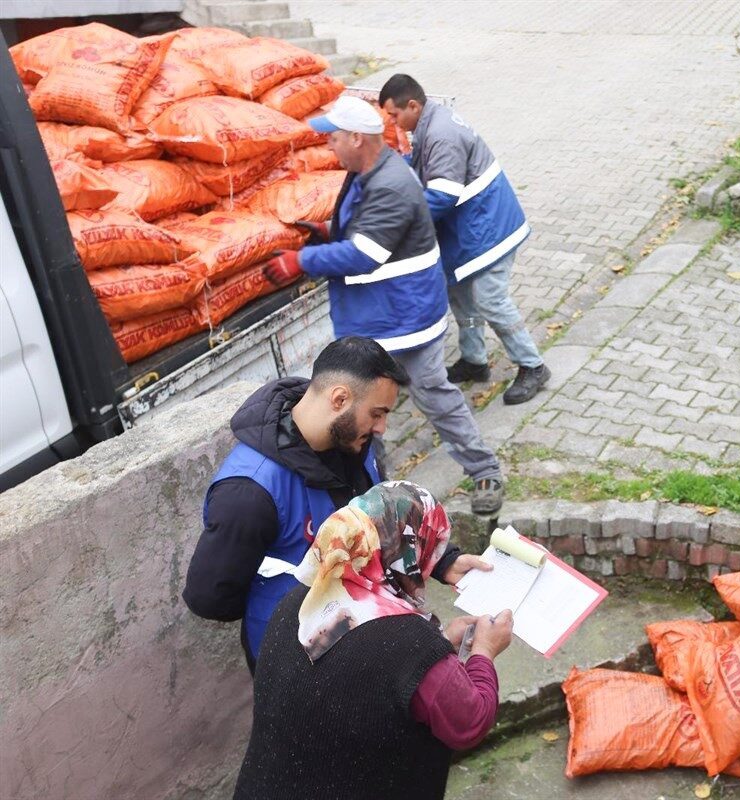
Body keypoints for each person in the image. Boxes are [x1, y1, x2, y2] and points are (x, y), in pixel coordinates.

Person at [183, 336, 492, 672]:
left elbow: (382, 515)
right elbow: (211, 597)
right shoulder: (249, 493)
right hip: (299, 668)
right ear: (339, 398)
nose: (382, 428)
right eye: (377, 414)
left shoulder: (351, 440)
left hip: (365, 638)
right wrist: (287, 599)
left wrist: (443, 561)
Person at [262, 94, 505, 517]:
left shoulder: (390, 182)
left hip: (404, 319)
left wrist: (300, 260)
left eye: (334, 138)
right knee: (365, 412)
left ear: (357, 138)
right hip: (380, 315)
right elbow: (366, 225)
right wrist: (327, 228)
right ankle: (378, 494)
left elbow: (366, 253)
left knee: (433, 394)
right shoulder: (367, 170)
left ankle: (483, 470)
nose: (329, 146)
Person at [233, 481, 513, 799]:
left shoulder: (299, 601)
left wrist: (442, 645)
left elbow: (360, 673)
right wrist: (484, 651)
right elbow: (470, 721)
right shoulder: (411, 645)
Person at [379, 74, 551, 406]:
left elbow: (442, 196)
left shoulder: (441, 134)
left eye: (394, 115)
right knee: (459, 294)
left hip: (490, 230)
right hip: (473, 228)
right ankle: (474, 359)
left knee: (491, 300)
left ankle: (533, 365)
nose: (392, 123)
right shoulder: (429, 124)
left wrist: (401, 223)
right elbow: (420, 168)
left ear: (412, 105)